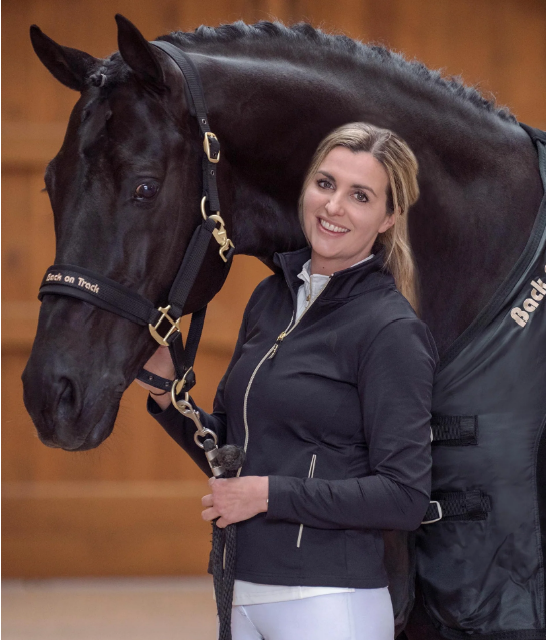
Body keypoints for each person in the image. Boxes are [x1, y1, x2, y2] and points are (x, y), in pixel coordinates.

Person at [137, 122, 438, 640]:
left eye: (359, 196)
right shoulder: (270, 300)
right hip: (242, 589)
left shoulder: (390, 330)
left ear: (388, 218)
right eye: (325, 184)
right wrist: (168, 397)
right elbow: (233, 455)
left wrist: (268, 495)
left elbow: (403, 497)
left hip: (329, 602)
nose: (334, 206)